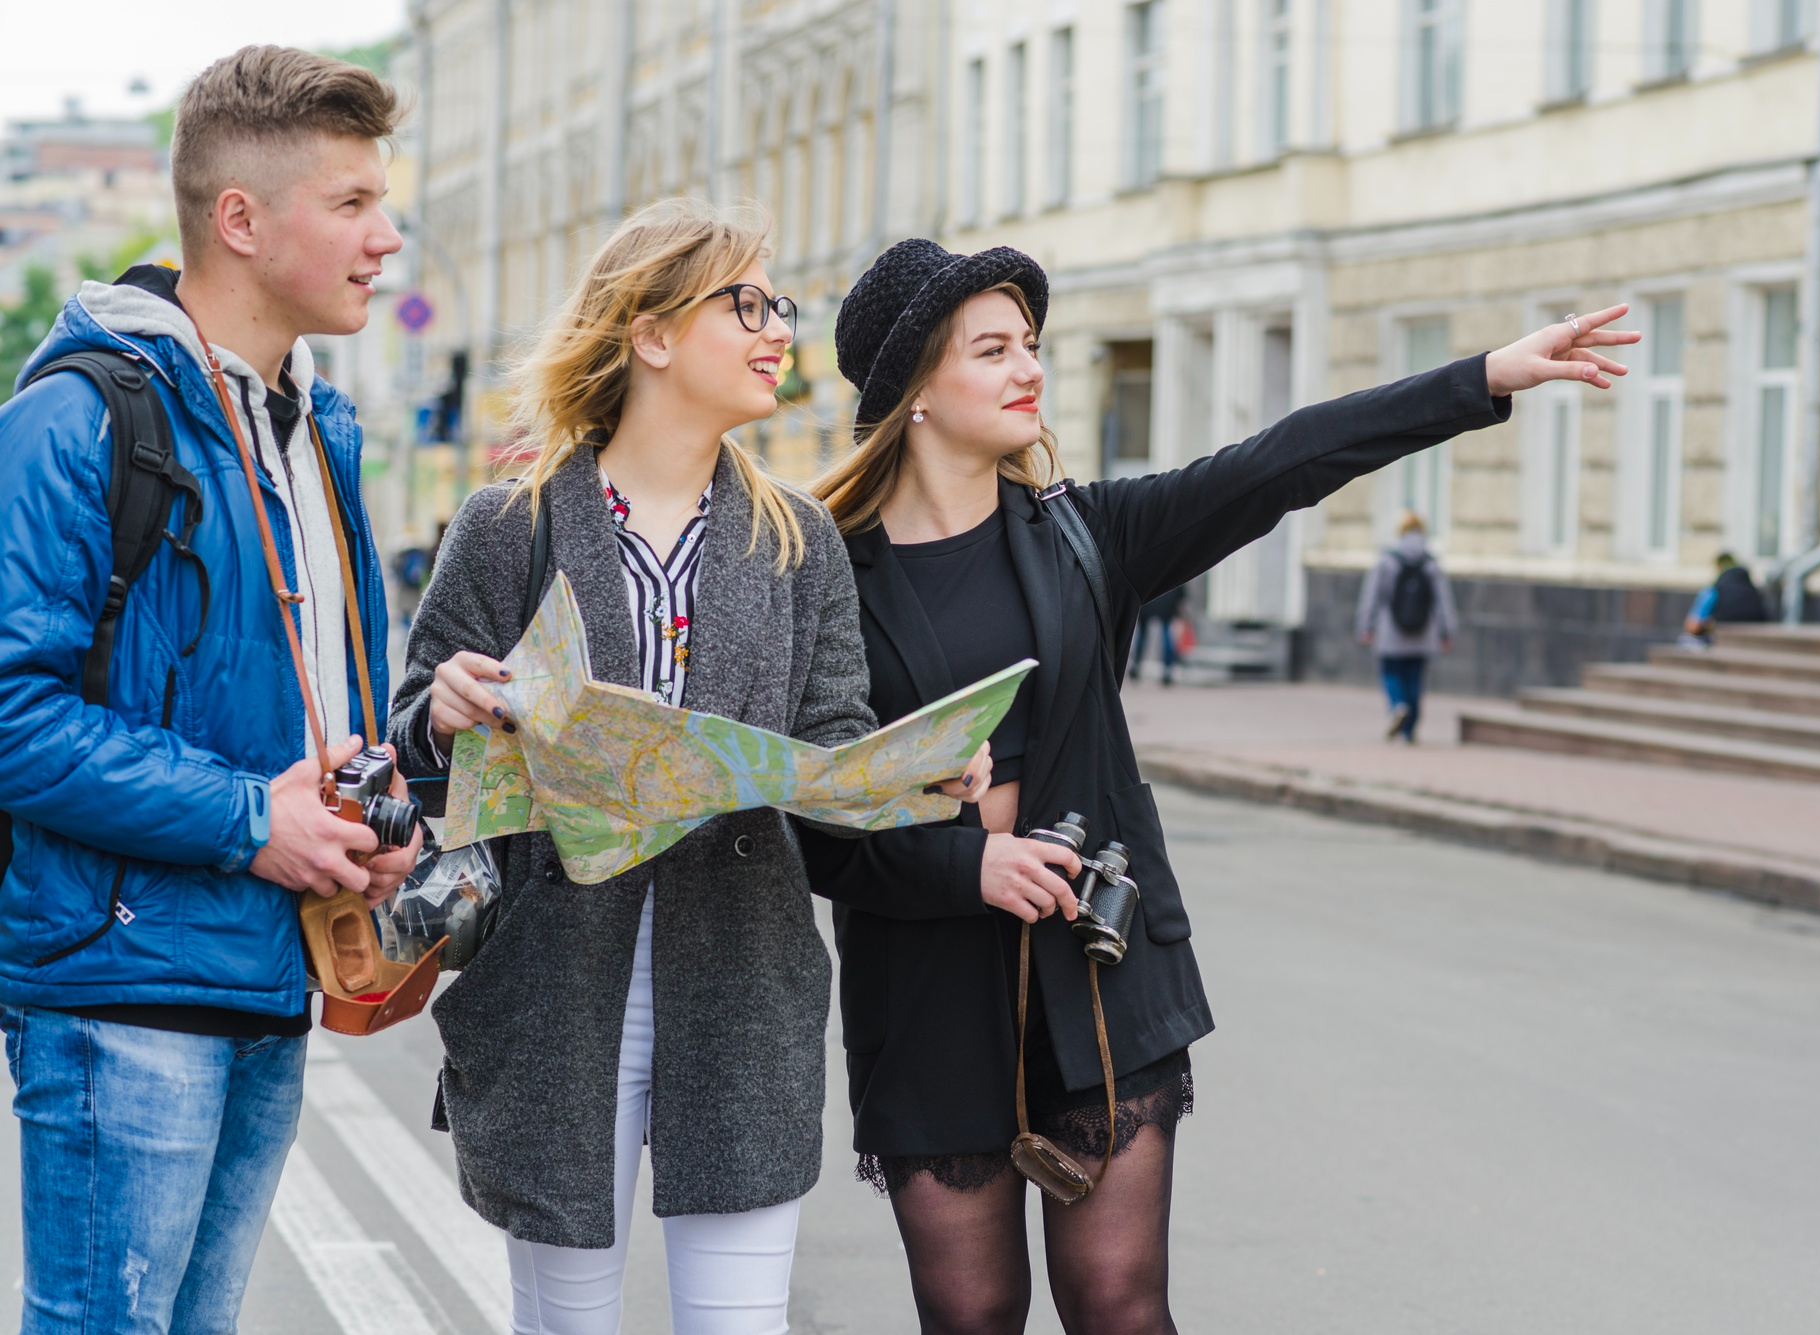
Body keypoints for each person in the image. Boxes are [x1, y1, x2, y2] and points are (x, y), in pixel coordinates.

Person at [802, 236, 1637, 1335]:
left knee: (1120, 1309)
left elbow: (1279, 461)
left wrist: (1476, 379)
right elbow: (804, 816)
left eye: (1031, 345)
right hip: (928, 996)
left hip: (1098, 978)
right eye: (992, 349)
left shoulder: (1085, 535)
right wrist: (967, 856)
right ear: (911, 389)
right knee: (972, 1317)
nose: (1029, 369)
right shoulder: (817, 576)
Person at [385, 201, 991, 1335]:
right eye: (746, 304)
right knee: (565, 1321)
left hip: (741, 985)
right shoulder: (506, 527)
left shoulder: (796, 537)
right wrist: (445, 712)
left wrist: (912, 777)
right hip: (555, 988)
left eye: (779, 308)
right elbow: (414, 747)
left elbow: (828, 742)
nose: (776, 332)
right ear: (650, 333)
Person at [0, 46, 422, 1332]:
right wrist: (255, 821)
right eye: (350, 204)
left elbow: (307, 694)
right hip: (119, 987)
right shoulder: (79, 419)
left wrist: (370, 808)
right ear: (239, 219)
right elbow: (11, 715)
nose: (386, 238)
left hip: (268, 970)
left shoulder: (317, 426)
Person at [1356, 510, 1457, 742]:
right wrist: (1447, 631)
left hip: (1390, 630)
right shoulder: (1430, 561)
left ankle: (1397, 706)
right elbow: (1443, 600)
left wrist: (1366, 625)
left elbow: (1371, 595)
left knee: (1391, 672)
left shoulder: (1386, 559)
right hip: (1424, 631)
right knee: (1415, 679)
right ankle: (1410, 731)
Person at [1680, 550, 1768, 648]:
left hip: (1722, 634)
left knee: (1686, 640)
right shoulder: (1752, 588)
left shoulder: (1715, 588)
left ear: (1718, 568)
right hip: (1756, 636)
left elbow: (1693, 626)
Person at [1131, 585, 1187, 685]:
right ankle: (1167, 669)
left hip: (1148, 600)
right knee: (1166, 634)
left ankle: (1136, 665)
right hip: (1166, 600)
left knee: (1143, 635)